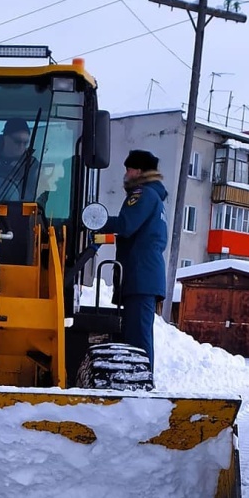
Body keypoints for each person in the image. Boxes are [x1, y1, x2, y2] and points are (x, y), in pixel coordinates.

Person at [100, 149, 168, 375]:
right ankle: (139, 380)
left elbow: (126, 225)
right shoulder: (155, 197)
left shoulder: (143, 194)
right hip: (144, 276)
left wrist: (96, 221)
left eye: (128, 169)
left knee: (137, 337)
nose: (126, 174)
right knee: (137, 333)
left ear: (139, 171)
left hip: (140, 276)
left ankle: (141, 384)